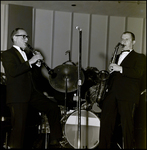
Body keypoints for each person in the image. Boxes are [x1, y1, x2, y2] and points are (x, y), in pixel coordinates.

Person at [1, 28, 62, 149]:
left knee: (53, 107)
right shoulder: (7, 54)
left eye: (27, 37)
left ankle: (55, 140)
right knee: (19, 128)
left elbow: (34, 78)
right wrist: (31, 62)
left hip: (31, 92)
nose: (27, 39)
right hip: (18, 96)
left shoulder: (28, 55)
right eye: (24, 36)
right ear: (15, 38)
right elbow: (13, 72)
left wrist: (37, 65)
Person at [98, 31, 146, 149]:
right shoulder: (117, 57)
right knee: (105, 123)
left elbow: (138, 73)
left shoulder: (140, 57)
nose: (123, 42)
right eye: (122, 39)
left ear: (133, 42)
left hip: (127, 94)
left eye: (127, 39)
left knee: (127, 126)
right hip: (112, 93)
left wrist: (120, 68)